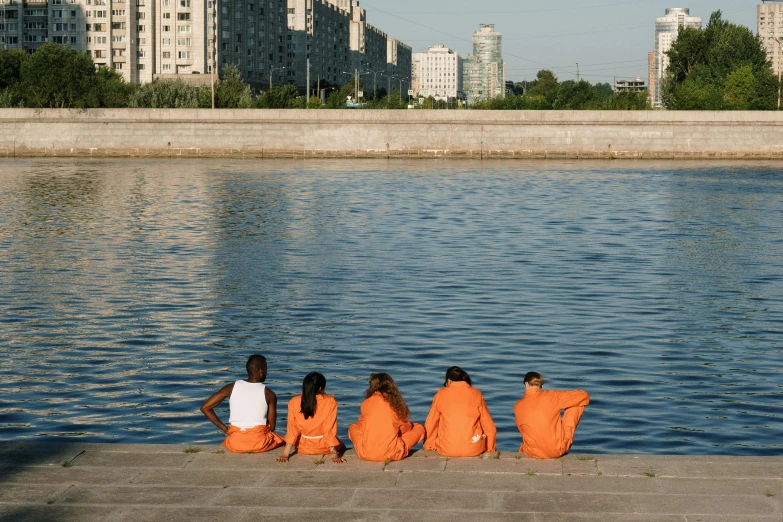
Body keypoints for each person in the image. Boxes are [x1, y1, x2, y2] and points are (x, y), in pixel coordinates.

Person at [200, 354, 284, 453]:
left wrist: (226, 430)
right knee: (281, 440)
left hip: (235, 442)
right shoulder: (269, 394)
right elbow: (272, 427)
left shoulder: (230, 388)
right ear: (261, 371)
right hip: (258, 443)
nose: (266, 372)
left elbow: (205, 407)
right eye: (266, 370)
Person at [348, 373, 425, 462]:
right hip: (392, 453)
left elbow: (362, 425)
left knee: (353, 426)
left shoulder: (366, 403)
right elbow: (403, 427)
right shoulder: (394, 403)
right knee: (419, 428)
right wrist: (409, 426)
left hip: (365, 453)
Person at [423, 366, 497, 457]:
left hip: (447, 449)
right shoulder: (476, 393)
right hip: (473, 448)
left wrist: (429, 444)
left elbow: (431, 423)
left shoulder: (440, 394)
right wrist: (490, 447)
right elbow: (488, 424)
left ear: (449, 381)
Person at [514, 371, 590, 459]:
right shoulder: (552, 396)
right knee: (577, 403)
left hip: (531, 451)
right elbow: (584, 395)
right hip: (555, 450)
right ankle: (562, 439)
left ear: (526, 384)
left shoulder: (517, 406)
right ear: (541, 386)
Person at [276, 372, 347, 464]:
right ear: (321, 388)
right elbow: (329, 430)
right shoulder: (330, 401)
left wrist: (285, 454)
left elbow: (292, 429)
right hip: (324, 448)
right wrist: (334, 454)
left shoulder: (294, 402)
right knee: (342, 446)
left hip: (303, 448)